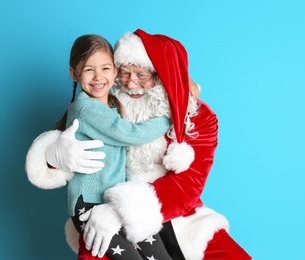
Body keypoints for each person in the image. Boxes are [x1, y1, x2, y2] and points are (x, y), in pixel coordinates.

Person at [26, 29, 251, 260]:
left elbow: (187, 186)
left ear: (161, 75)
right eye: (124, 73)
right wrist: (52, 155)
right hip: (97, 211)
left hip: (177, 219)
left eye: (142, 75)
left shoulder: (197, 117)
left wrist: (118, 211)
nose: (132, 84)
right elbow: (78, 126)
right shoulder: (108, 98)